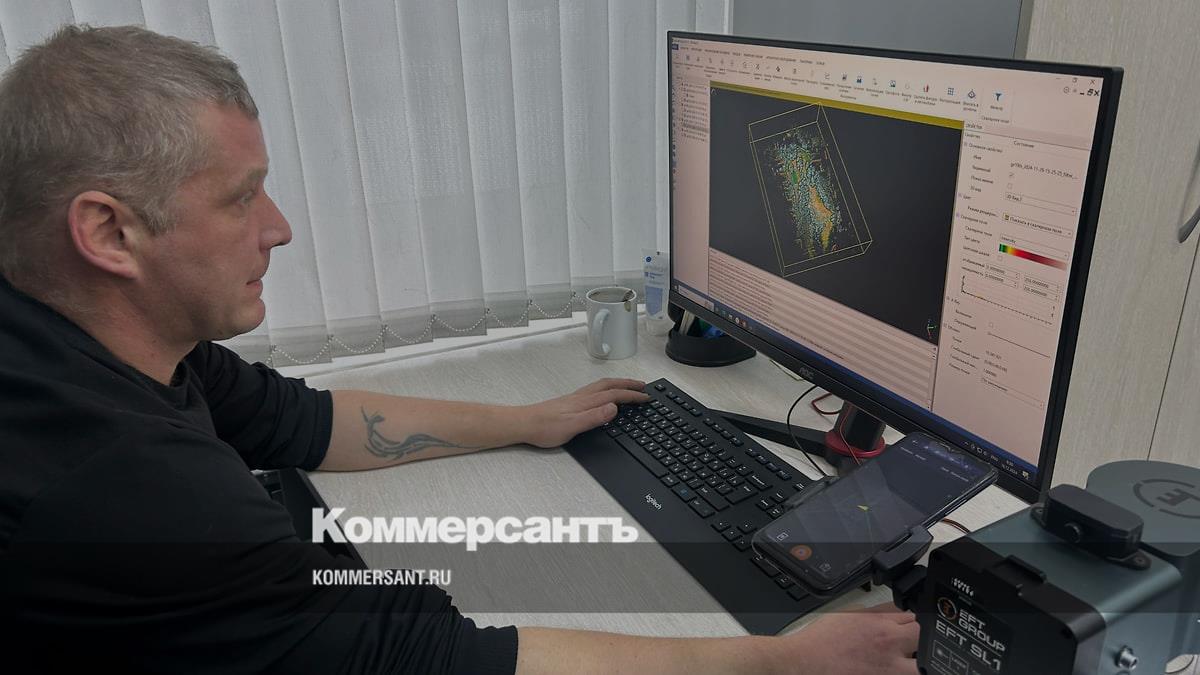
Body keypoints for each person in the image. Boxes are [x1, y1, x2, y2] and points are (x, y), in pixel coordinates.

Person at [0, 25, 918, 674]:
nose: (278, 228)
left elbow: (301, 421)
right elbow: (439, 657)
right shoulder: (121, 476)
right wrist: (775, 662)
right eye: (241, 197)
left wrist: (526, 419)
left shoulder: (94, 336)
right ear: (109, 233)